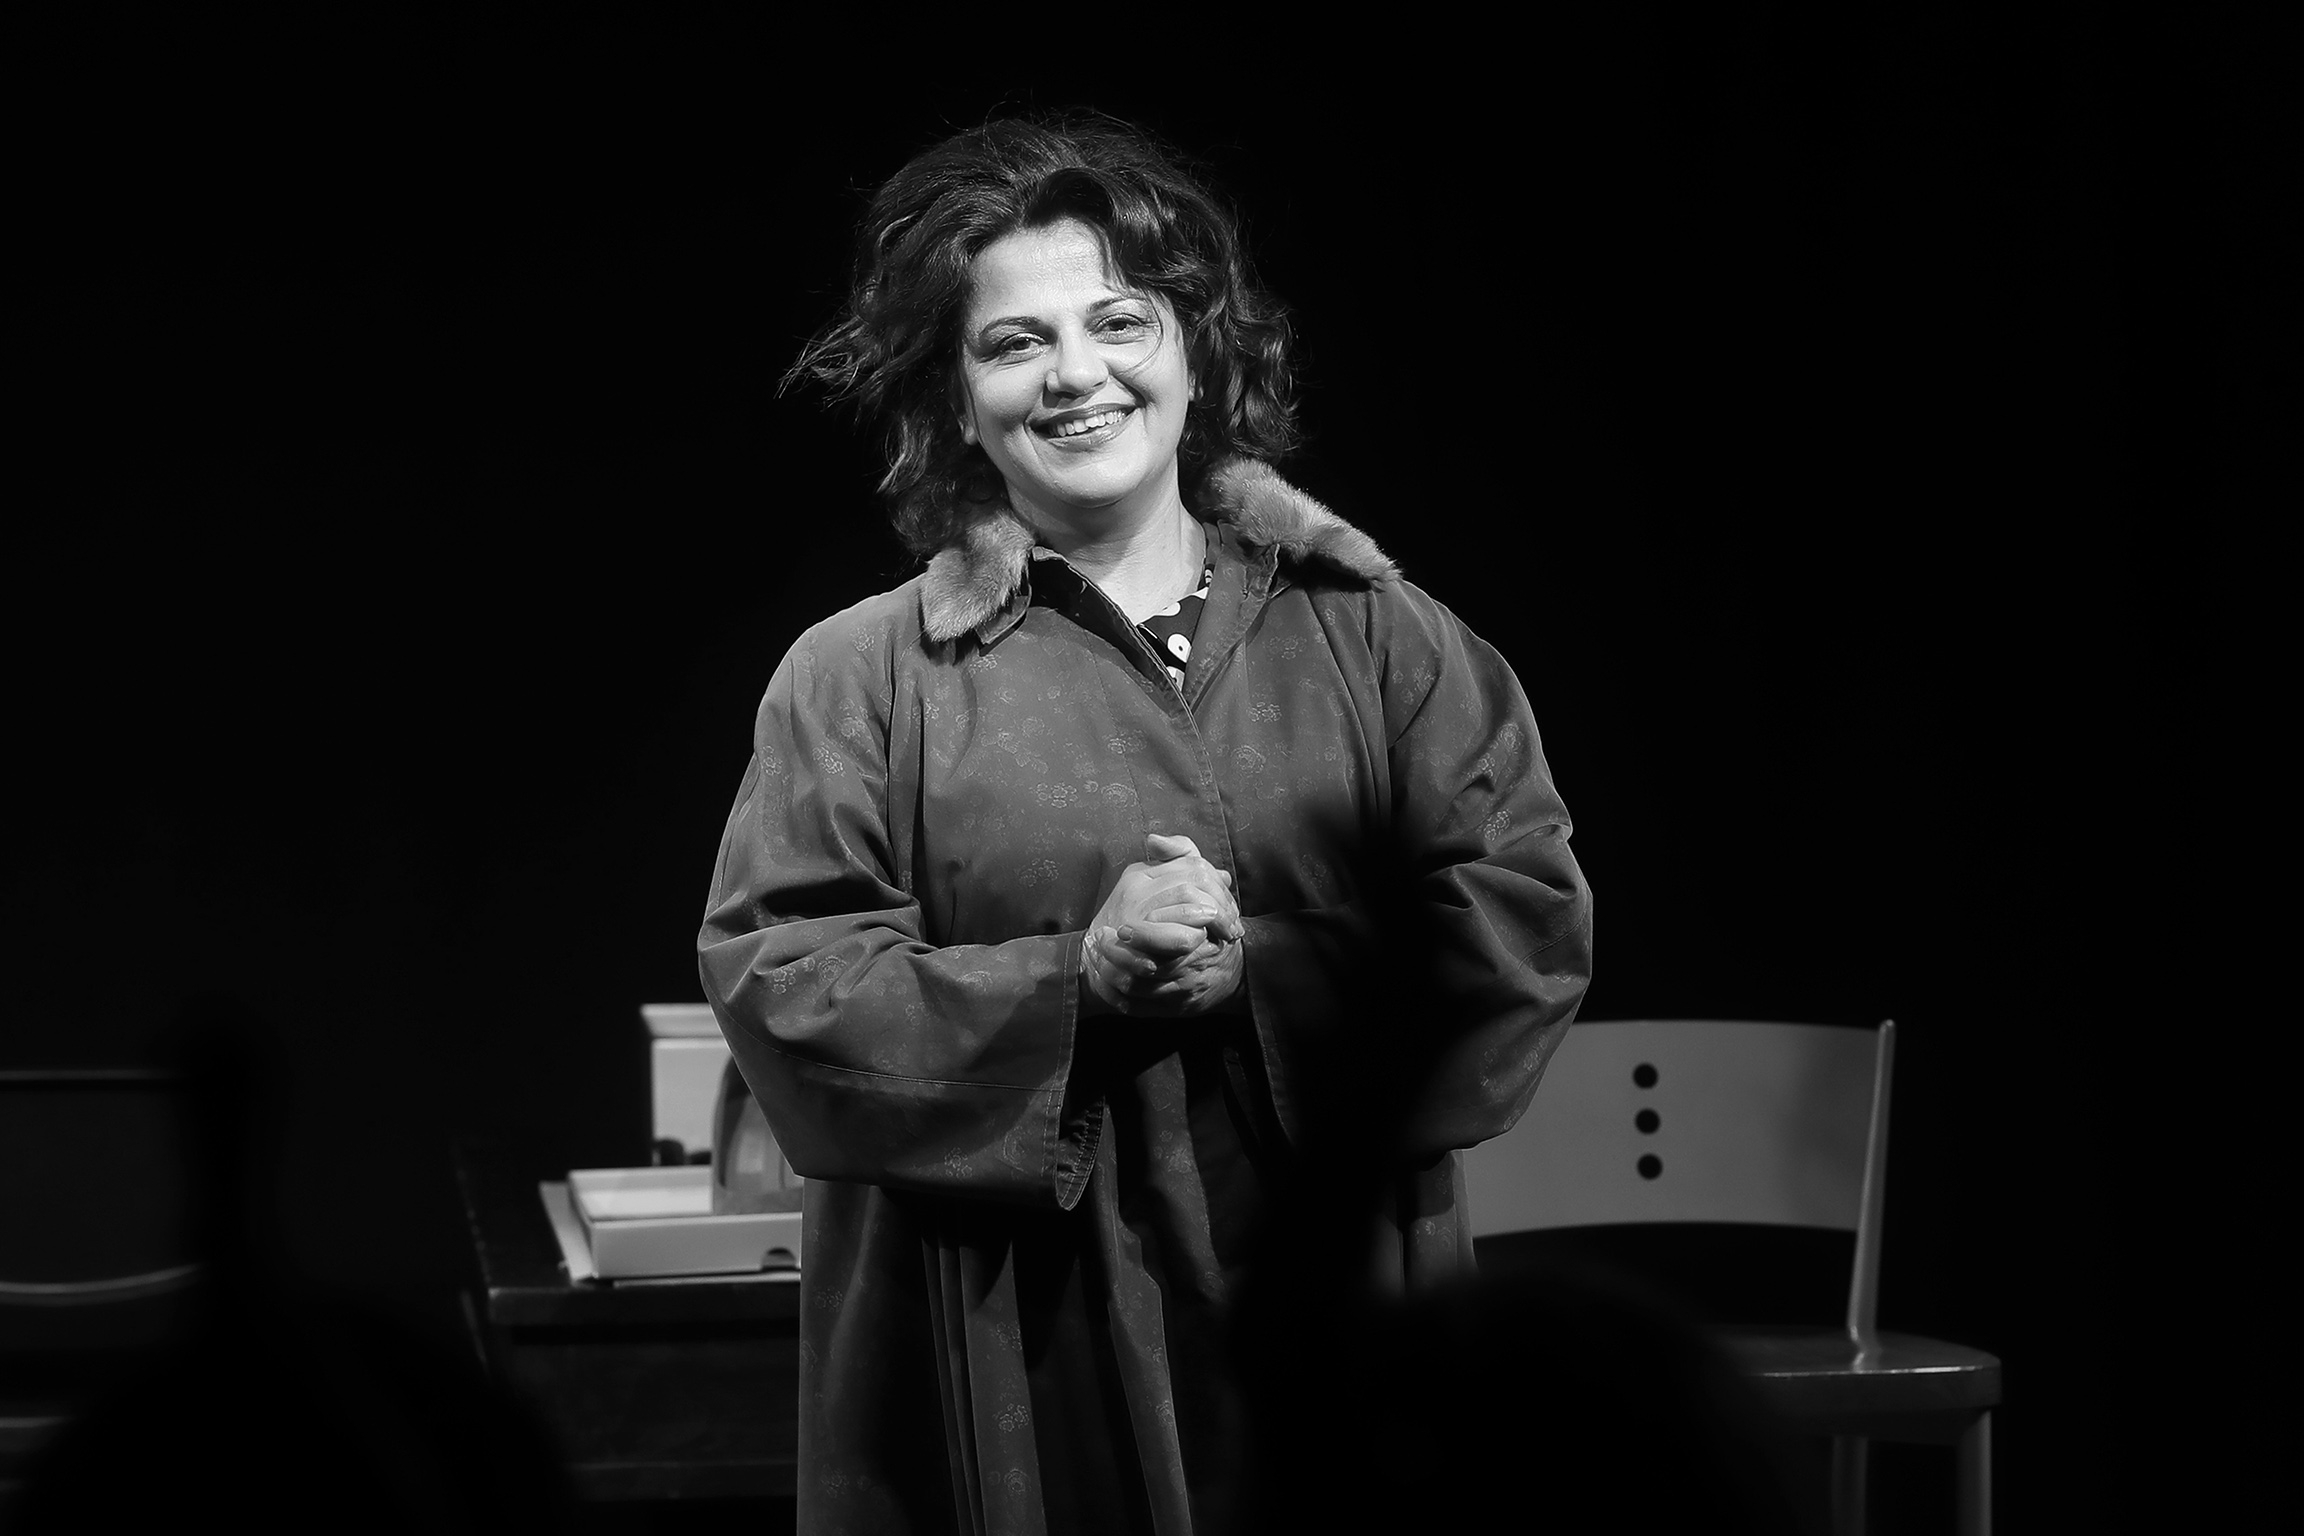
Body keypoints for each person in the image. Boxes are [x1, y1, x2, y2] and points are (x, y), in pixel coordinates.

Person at [698, 113, 1593, 1536]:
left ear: (1197, 351)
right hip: (1006, 1320)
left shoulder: (1380, 634)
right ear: (958, 395)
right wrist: (1079, 984)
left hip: (1331, 1303)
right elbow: (784, 974)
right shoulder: (863, 673)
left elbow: (1520, 919)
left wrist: (1262, 970)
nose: (1077, 374)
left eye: (1120, 321)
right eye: (1015, 343)